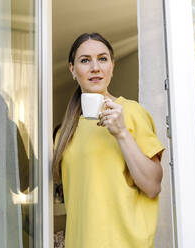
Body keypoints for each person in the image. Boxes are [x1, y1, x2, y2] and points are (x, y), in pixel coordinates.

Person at [52, 33, 165, 248]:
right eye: (85, 60)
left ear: (112, 66)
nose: (95, 67)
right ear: (72, 70)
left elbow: (152, 185)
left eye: (102, 59)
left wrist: (121, 132)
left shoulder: (131, 112)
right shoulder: (64, 133)